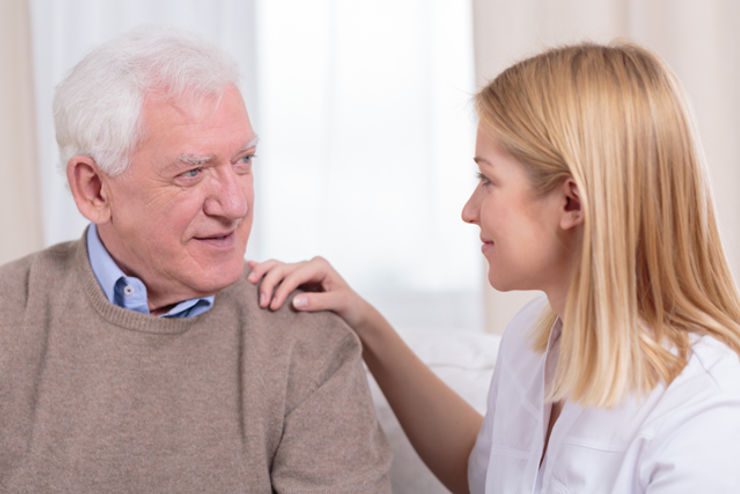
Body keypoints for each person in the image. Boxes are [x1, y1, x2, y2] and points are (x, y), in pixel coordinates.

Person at [248, 43, 740, 493]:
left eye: (487, 179)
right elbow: (480, 475)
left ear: (571, 201)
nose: (469, 209)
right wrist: (364, 322)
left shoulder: (708, 408)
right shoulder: (534, 341)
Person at [0, 28, 391, 493]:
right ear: (95, 189)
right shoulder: (11, 316)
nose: (234, 204)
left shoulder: (306, 341)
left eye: (244, 160)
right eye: (192, 171)